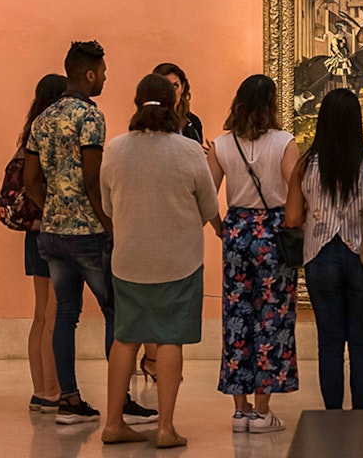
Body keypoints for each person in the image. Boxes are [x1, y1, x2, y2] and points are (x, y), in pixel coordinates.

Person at [24, 41, 155, 426]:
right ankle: (123, 399)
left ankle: (68, 399)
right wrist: (108, 222)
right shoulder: (90, 117)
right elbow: (93, 177)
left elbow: (31, 179)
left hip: (52, 233)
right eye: (103, 71)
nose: (106, 77)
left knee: (65, 314)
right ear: (91, 73)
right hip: (89, 233)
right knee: (115, 310)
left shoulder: (43, 119)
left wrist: (53, 205)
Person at [99, 74, 219, 448]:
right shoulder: (187, 150)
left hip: (128, 259)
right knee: (169, 340)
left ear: (137, 104)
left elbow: (107, 206)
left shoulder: (115, 149)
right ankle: (166, 428)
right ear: (174, 104)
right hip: (178, 261)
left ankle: (114, 423)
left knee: (125, 338)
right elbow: (209, 207)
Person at [285, 88, 363, 409]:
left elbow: (291, 218)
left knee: (329, 342)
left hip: (321, 256)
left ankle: (333, 414)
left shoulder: (306, 164)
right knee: (362, 342)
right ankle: (361, 413)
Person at [207, 74, 300, 433]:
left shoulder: (222, 144)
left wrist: (220, 227)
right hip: (273, 232)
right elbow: (296, 190)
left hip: (237, 229)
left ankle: (240, 408)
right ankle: (263, 410)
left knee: (236, 316)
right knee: (272, 317)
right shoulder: (284, 142)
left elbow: (205, 194)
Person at [141, 62, 206, 382]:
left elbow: (199, 176)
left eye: (177, 84)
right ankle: (152, 357)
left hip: (183, 214)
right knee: (152, 295)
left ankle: (161, 359)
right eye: (167, 85)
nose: (173, 90)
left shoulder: (192, 123)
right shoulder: (140, 134)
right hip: (154, 214)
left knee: (171, 296)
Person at [16, 73, 67, 413]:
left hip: (33, 233)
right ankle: (52, 390)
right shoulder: (53, 136)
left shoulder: (28, 134)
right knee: (54, 313)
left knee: (40, 313)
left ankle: (40, 389)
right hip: (53, 230)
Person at [153, 62, 205, 147]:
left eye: (175, 86)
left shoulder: (193, 122)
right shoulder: (147, 122)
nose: (171, 92)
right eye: (165, 86)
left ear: (183, 88)